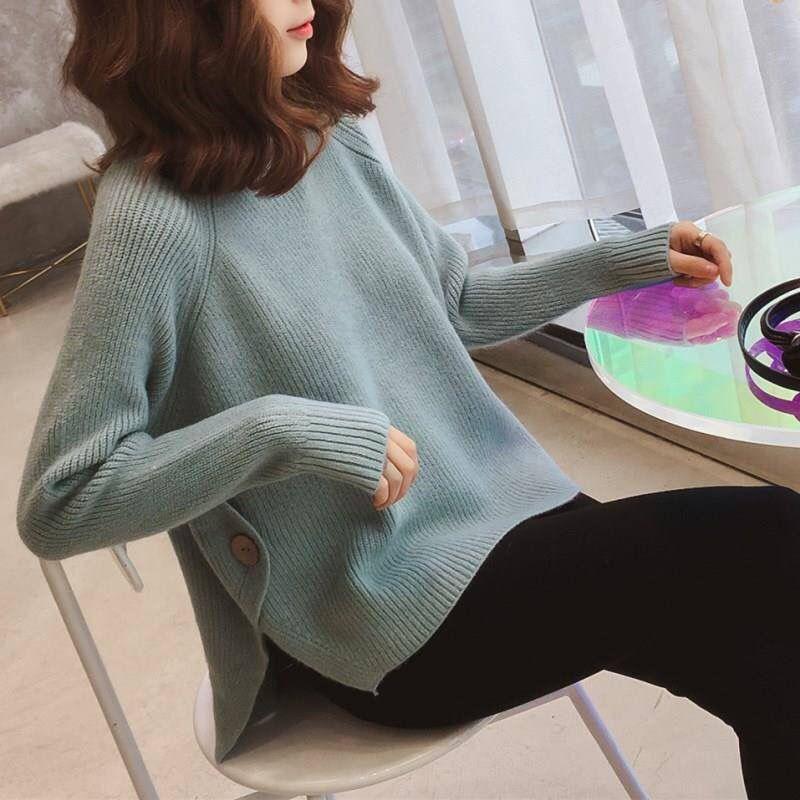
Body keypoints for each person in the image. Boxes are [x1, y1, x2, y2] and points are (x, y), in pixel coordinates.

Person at [15, 1, 797, 796]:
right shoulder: (151, 218)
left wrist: (625, 262)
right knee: (773, 537)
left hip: (503, 515)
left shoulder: (325, 135)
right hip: (384, 616)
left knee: (772, 663)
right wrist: (276, 432)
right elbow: (60, 498)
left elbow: (458, 304)